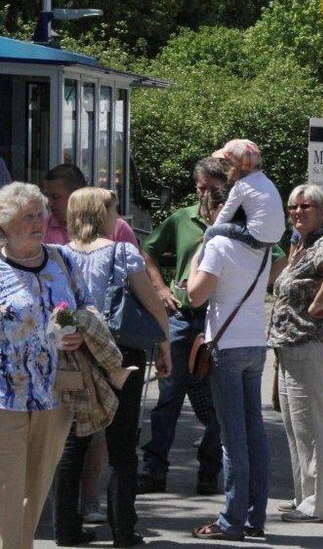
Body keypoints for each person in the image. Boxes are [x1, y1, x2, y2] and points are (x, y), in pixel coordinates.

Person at [53, 188, 170, 548]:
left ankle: (66, 529)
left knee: (75, 440)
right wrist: (164, 346)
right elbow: (153, 304)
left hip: (75, 352)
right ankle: (123, 530)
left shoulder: (58, 256)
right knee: (121, 443)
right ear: (103, 214)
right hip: (119, 352)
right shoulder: (123, 253)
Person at [0, 183, 89, 548]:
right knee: (8, 489)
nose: (39, 222)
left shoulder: (62, 259)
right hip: (5, 398)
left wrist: (80, 331)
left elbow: (87, 307)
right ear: (5, 225)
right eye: (28, 217)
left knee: (35, 491)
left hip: (54, 395)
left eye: (41, 214)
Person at [187, 187, 276, 541]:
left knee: (232, 437)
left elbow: (195, 296)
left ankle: (232, 519)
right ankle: (254, 517)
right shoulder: (263, 247)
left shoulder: (218, 245)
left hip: (226, 345)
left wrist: (199, 253)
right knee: (254, 433)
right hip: (255, 342)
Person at [138, 158, 227, 497]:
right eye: (201, 188)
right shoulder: (181, 218)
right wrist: (160, 289)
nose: (205, 195)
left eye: (212, 189)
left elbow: (273, 256)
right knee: (169, 397)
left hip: (218, 320)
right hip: (182, 318)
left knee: (217, 400)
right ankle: (154, 470)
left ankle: (209, 470)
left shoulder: (235, 222)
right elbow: (146, 251)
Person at [268, 186, 323, 524]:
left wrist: (319, 304)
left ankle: (318, 505)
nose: (298, 212)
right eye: (293, 207)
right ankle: (304, 496)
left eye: (306, 206)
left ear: (321, 211)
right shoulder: (300, 244)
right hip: (292, 347)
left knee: (312, 425)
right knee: (294, 425)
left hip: (311, 346)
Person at [204, 139, 283, 251]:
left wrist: (213, 229)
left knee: (210, 232)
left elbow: (225, 216)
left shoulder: (241, 186)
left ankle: (200, 263)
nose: (223, 168)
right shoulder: (265, 180)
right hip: (275, 239)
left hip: (256, 238)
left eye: (224, 163)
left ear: (233, 167)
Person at [43, 164, 139, 246]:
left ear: (77, 194)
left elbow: (134, 267)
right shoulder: (42, 226)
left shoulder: (117, 228)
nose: (49, 202)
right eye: (47, 196)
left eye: (55, 197)